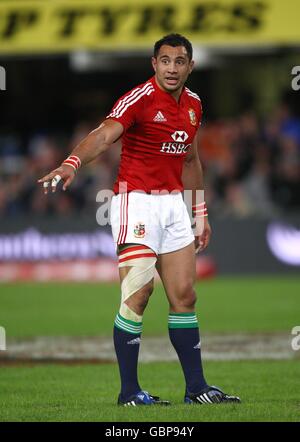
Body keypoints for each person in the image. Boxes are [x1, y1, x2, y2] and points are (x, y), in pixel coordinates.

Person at [38, 33, 240, 406]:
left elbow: (191, 160)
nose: (172, 68)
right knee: (139, 295)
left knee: (184, 296)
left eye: (180, 62)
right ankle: (129, 392)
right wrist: (72, 163)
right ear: (154, 64)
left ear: (190, 67)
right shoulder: (140, 99)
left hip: (174, 206)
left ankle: (197, 389)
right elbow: (103, 136)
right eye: (165, 61)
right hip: (136, 203)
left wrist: (199, 211)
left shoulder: (194, 104)